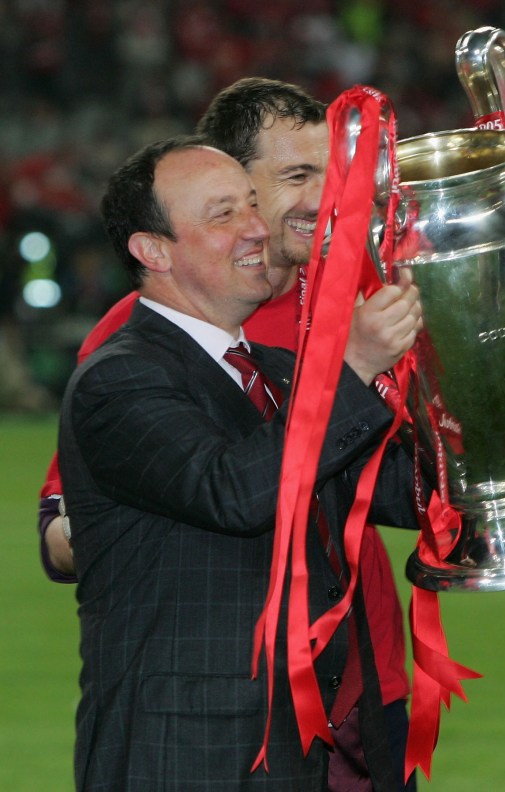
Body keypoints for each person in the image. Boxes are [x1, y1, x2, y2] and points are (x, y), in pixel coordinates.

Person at [37, 78, 417, 790]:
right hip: (202, 726)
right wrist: (119, 526)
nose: (317, 198)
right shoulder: (125, 358)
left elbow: (397, 487)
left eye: (330, 174)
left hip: (351, 695)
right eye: (295, 176)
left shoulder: (302, 339)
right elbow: (75, 530)